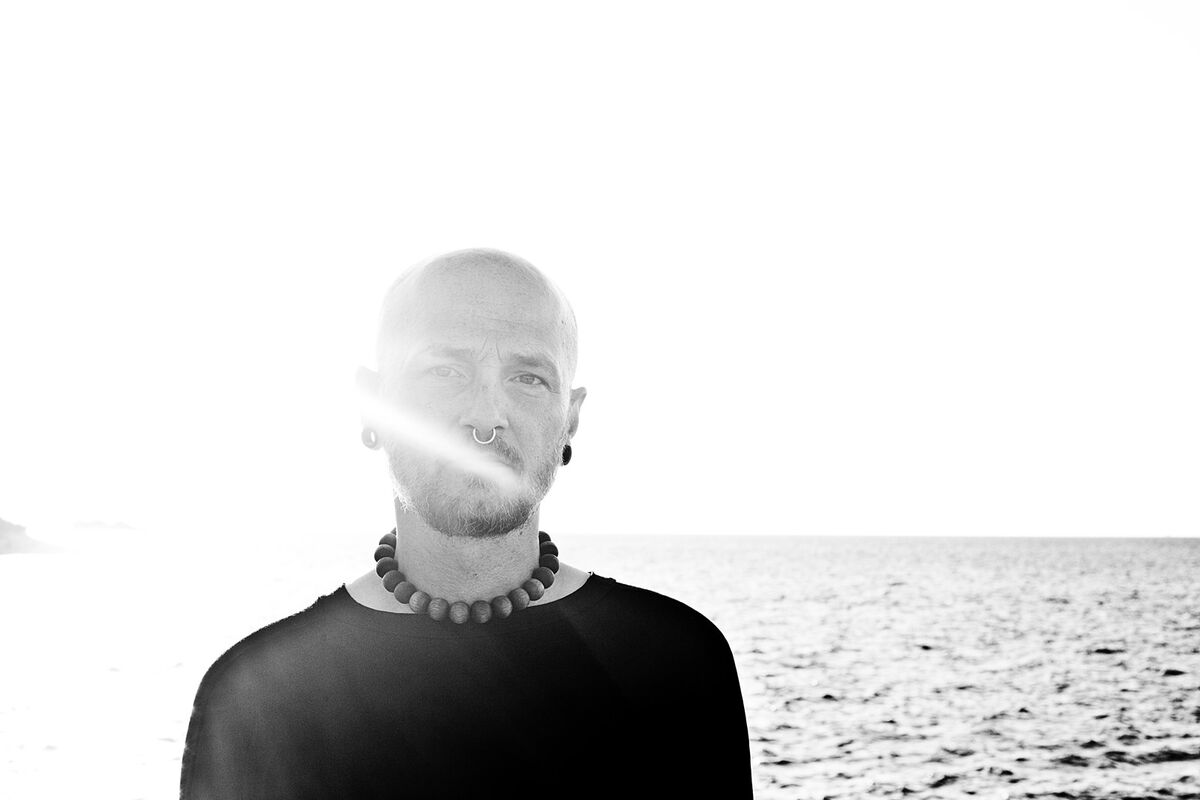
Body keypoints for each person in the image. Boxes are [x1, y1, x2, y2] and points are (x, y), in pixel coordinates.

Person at [179, 248, 752, 798]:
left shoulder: (676, 664)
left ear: (570, 419)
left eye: (528, 378)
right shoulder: (255, 695)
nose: (485, 418)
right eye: (445, 370)